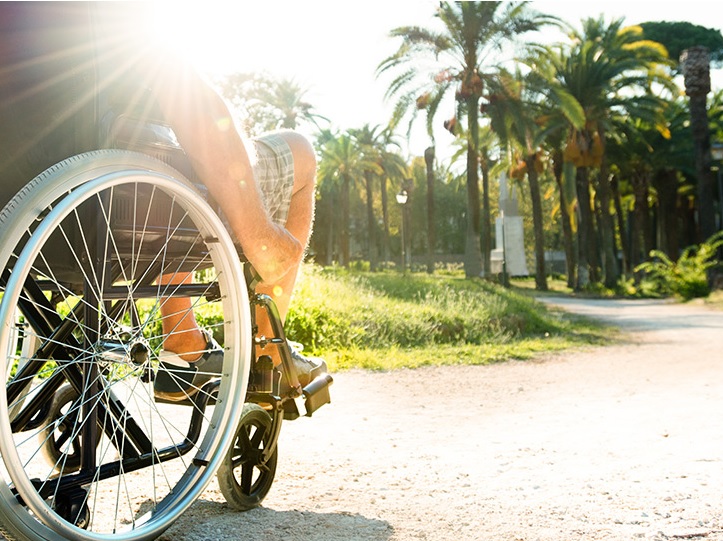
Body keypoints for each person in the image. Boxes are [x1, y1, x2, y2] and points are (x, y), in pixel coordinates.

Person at [145, 56, 327, 402]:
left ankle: (183, 341)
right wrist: (259, 234)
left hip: (52, 192)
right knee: (301, 152)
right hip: (146, 184)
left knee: (158, 161)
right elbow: (185, 93)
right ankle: (267, 350)